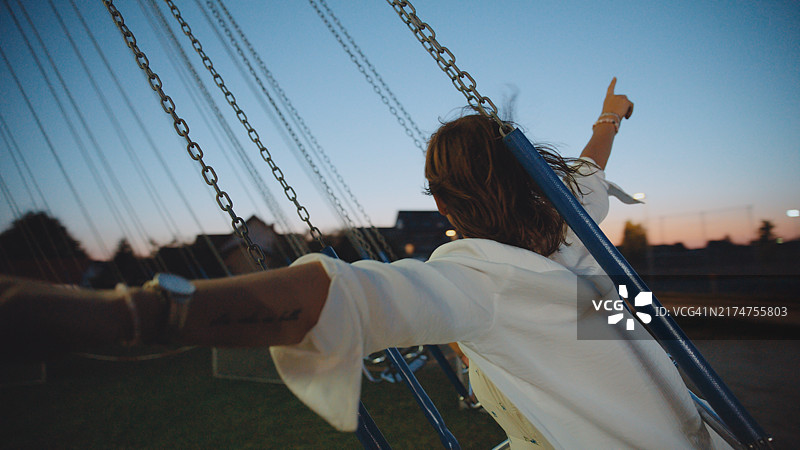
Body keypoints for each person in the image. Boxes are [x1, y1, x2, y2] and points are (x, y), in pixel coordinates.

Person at [0, 78, 730, 449]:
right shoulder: (570, 220)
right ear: (529, 175)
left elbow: (342, 296)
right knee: (622, 322)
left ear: (445, 201)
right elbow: (591, 168)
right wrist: (611, 114)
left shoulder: (474, 278)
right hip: (695, 428)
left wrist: (129, 313)